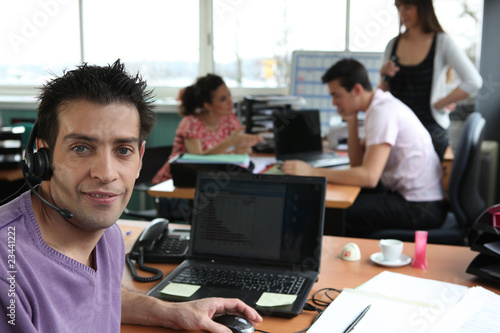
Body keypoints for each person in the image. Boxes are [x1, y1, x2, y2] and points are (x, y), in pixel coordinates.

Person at [0, 60, 262, 332]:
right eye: (81, 148)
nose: (106, 173)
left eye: (123, 150)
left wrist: (176, 312)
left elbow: (98, 298)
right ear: (42, 156)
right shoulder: (7, 273)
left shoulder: (108, 234)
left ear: (140, 159)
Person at [281, 58, 447, 237]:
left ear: (357, 90)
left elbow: (368, 177)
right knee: (335, 206)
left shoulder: (382, 112)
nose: (333, 103)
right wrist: (351, 121)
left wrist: (312, 172)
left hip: (422, 207)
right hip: (412, 198)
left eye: (336, 95)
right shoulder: (376, 107)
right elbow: (358, 165)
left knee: (333, 214)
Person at [379, 0, 482, 160]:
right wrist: (382, 75)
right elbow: (382, 94)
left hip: (430, 132)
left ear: (422, 7)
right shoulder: (392, 45)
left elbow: (473, 81)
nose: (402, 13)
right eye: (399, 8)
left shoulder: (442, 42)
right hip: (397, 133)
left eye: (407, 7)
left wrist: (440, 103)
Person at [152, 74, 261, 184]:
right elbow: (197, 159)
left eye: (229, 95)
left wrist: (243, 149)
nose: (230, 101)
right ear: (208, 105)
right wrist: (230, 143)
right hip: (174, 183)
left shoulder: (228, 118)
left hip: (206, 179)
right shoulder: (191, 122)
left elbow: (230, 151)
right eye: (223, 99)